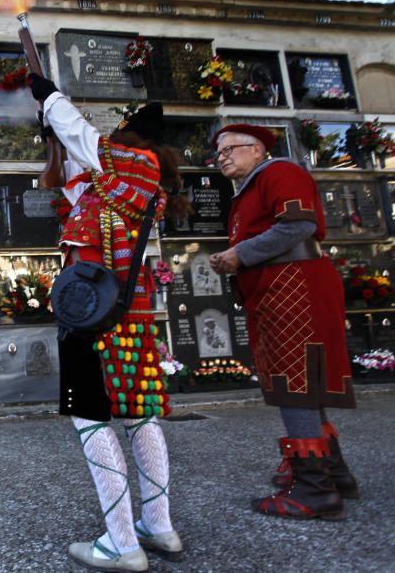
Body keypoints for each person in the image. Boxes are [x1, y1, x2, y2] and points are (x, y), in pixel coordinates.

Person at [29, 74, 190, 571]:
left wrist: (51, 98)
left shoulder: (132, 164)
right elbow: (72, 169)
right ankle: (158, 526)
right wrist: (51, 132)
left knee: (91, 418)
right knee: (141, 415)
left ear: (132, 140)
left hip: (95, 320)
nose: (108, 142)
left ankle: (121, 545)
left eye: (116, 134)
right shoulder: (132, 182)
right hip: (130, 315)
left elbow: (82, 136)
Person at [208, 124, 357, 520]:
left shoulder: (279, 172)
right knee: (301, 379)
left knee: (296, 381)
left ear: (257, 150)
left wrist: (239, 254)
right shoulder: (249, 190)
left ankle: (313, 491)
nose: (221, 157)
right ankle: (333, 473)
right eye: (217, 153)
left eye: (228, 149)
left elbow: (297, 226)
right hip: (279, 289)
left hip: (294, 287)